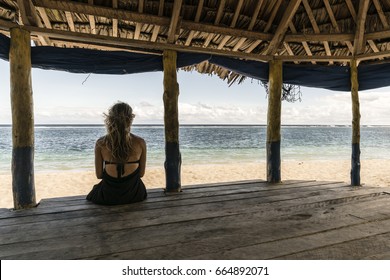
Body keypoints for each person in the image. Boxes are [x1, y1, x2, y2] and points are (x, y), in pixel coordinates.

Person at [86, 102, 147, 205]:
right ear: (131, 119)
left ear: (109, 119)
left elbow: (99, 175)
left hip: (108, 196)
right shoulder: (140, 142)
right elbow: (141, 174)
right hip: (135, 195)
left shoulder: (101, 143)